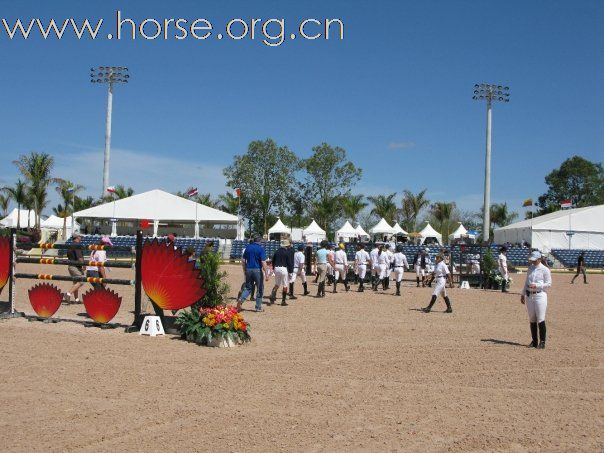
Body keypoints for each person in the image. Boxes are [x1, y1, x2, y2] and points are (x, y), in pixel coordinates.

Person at [521, 251, 552, 349]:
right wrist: (522, 294)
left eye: (534, 260)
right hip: (529, 295)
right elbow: (526, 281)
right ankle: (534, 341)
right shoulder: (530, 268)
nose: (532, 262)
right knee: (532, 319)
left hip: (540, 295)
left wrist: (537, 285)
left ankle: (542, 342)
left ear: (539, 259)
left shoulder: (545, 270)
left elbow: (549, 283)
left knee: (540, 318)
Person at [237, 236, 269, 312]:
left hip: (248, 269)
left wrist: (244, 270)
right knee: (260, 288)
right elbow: (263, 262)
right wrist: (266, 274)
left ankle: (241, 299)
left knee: (248, 288)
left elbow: (243, 260)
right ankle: (258, 307)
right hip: (257, 270)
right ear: (260, 241)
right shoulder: (261, 249)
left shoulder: (248, 248)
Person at [269, 239, 294, 306]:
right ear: (287, 245)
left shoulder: (276, 251)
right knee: (285, 285)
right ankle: (283, 301)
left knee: (277, 284)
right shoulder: (287, 252)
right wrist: (291, 272)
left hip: (276, 268)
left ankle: (272, 295)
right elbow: (289, 263)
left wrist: (274, 268)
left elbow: (273, 261)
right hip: (284, 268)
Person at [65, 233, 85, 303]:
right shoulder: (77, 245)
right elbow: (80, 257)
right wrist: (84, 265)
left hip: (71, 266)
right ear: (77, 237)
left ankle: (76, 299)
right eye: (80, 236)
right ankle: (68, 294)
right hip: (75, 267)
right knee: (81, 281)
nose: (81, 237)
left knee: (76, 283)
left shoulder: (71, 245)